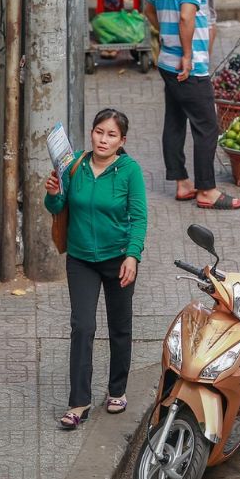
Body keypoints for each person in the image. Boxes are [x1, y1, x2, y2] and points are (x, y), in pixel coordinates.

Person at [44, 109, 148, 430]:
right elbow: (58, 208)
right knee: (82, 326)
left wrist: (132, 255)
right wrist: (52, 195)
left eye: (111, 135)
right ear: (91, 133)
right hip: (80, 259)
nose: (103, 139)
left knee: (120, 327)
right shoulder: (73, 165)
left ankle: (117, 389)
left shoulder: (130, 171)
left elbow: (139, 217)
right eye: (99, 132)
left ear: (122, 141)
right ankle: (79, 401)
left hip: (117, 259)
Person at [144, 0, 240, 210]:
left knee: (175, 120)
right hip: (189, 66)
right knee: (207, 126)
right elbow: (187, 16)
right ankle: (207, 190)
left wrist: (166, 37)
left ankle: (182, 183)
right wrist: (186, 54)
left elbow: (148, 10)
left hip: (166, 61)